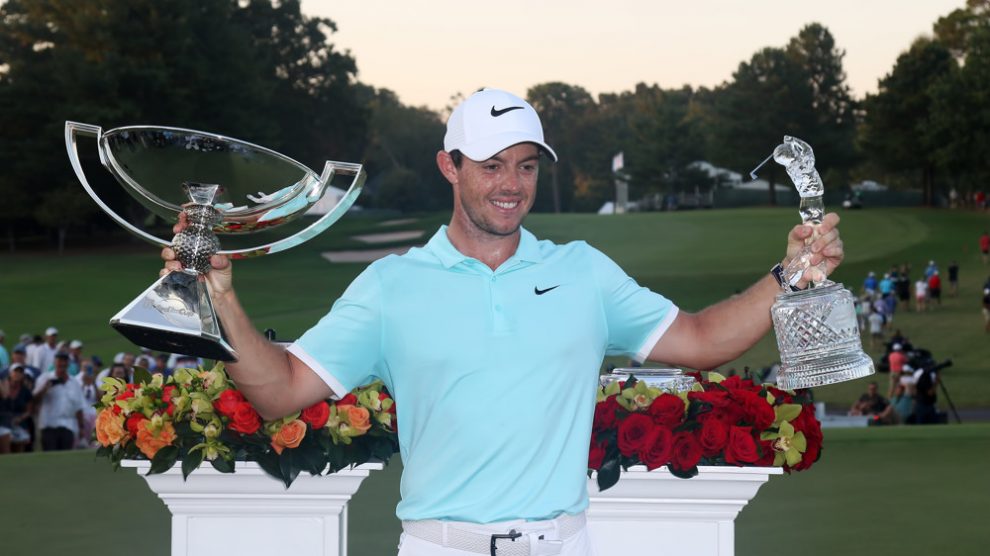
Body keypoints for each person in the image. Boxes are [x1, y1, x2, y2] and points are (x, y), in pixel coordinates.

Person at [160, 88, 847, 556]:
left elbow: (701, 341)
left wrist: (789, 276)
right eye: (490, 165)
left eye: (524, 165)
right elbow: (278, 390)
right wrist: (220, 297)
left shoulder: (583, 272)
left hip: (563, 542)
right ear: (448, 167)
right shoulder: (393, 287)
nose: (510, 183)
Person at [32, 352, 86, 451]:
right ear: (55, 363)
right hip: (49, 425)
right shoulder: (45, 378)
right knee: (50, 456)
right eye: (59, 361)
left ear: (68, 364)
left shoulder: (74, 383)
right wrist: (45, 388)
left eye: (64, 361)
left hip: (68, 426)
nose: (62, 364)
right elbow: (34, 400)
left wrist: (81, 428)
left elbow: (79, 407)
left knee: (66, 457)